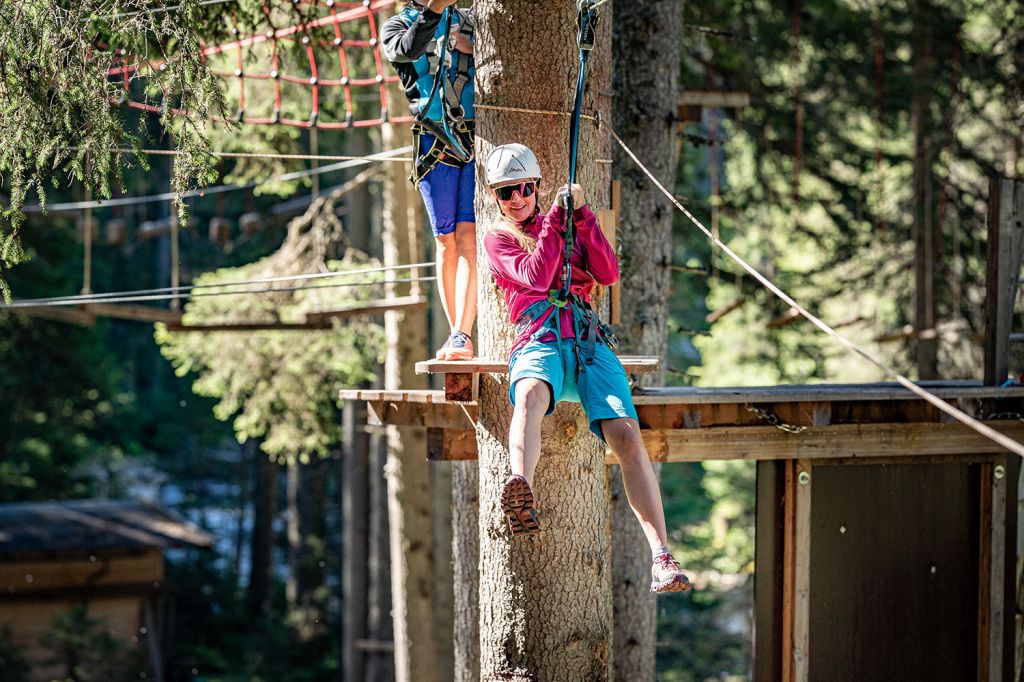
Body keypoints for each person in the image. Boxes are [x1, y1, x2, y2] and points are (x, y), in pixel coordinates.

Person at [481, 143, 692, 594]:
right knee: (531, 394)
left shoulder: (567, 223)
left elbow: (608, 272)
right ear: (495, 198)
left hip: (588, 342)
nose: (516, 198)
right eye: (505, 192)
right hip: (539, 335)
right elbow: (538, 277)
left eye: (523, 188)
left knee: (627, 435)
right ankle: (520, 482)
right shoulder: (497, 239)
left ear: (535, 187)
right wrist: (559, 221)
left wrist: (583, 217)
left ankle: (662, 557)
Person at [382, 0, 477, 360]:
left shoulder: (469, 22)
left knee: (469, 235)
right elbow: (408, 50)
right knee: (446, 241)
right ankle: (456, 333)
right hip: (435, 141)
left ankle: (462, 333)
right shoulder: (395, 28)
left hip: (474, 138)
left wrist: (475, 49)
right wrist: (435, 10)